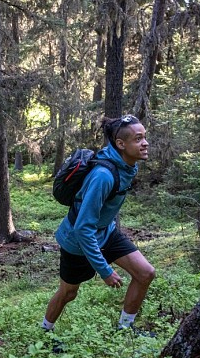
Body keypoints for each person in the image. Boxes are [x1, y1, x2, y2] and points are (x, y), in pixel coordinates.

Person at [41, 115, 156, 336]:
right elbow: (82, 229)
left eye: (145, 137)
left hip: (106, 232)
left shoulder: (127, 166)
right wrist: (105, 270)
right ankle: (44, 332)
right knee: (68, 292)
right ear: (121, 144)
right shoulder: (103, 176)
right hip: (78, 241)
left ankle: (125, 329)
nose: (145, 143)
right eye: (138, 139)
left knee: (145, 273)